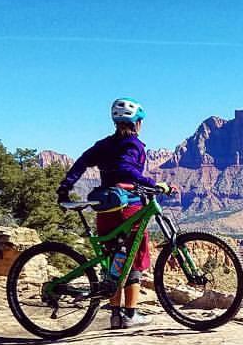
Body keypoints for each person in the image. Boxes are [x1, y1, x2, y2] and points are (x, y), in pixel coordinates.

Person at [57, 97, 172, 329]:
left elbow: (81, 162)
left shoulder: (104, 144)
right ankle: (130, 314)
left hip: (106, 208)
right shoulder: (134, 144)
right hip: (128, 208)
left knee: (113, 261)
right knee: (133, 259)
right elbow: (125, 169)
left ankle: (115, 315)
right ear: (137, 122)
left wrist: (65, 187)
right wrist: (152, 183)